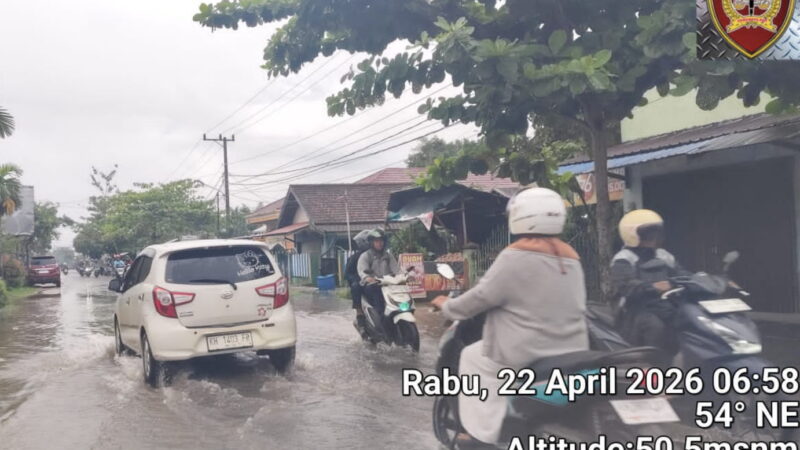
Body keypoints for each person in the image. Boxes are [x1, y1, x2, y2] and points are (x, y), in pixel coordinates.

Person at [431, 187, 589, 446]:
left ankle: (478, 435)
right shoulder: (570, 256)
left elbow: (480, 298)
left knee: (472, 357)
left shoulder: (516, 254)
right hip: (572, 350)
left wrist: (447, 305)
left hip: (526, 352)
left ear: (520, 216)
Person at [610, 209, 686, 352]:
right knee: (656, 327)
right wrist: (652, 287)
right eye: (649, 233)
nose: (654, 237)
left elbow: (682, 274)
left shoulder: (663, 255)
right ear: (633, 234)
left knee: (688, 319)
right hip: (634, 311)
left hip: (663, 306)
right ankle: (652, 367)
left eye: (656, 233)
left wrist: (702, 280)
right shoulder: (624, 258)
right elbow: (625, 285)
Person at [357, 228, 399, 318]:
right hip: (373, 286)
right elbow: (362, 271)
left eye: (381, 241)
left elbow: (397, 270)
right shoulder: (365, 256)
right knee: (379, 306)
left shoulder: (388, 256)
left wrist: (404, 276)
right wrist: (367, 277)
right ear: (371, 242)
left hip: (388, 285)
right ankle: (379, 322)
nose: (380, 243)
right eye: (377, 241)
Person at [346, 229, 371, 330]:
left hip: (377, 281)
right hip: (361, 283)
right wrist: (358, 279)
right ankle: (359, 313)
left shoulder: (379, 255)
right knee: (355, 286)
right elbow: (347, 274)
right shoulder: (354, 258)